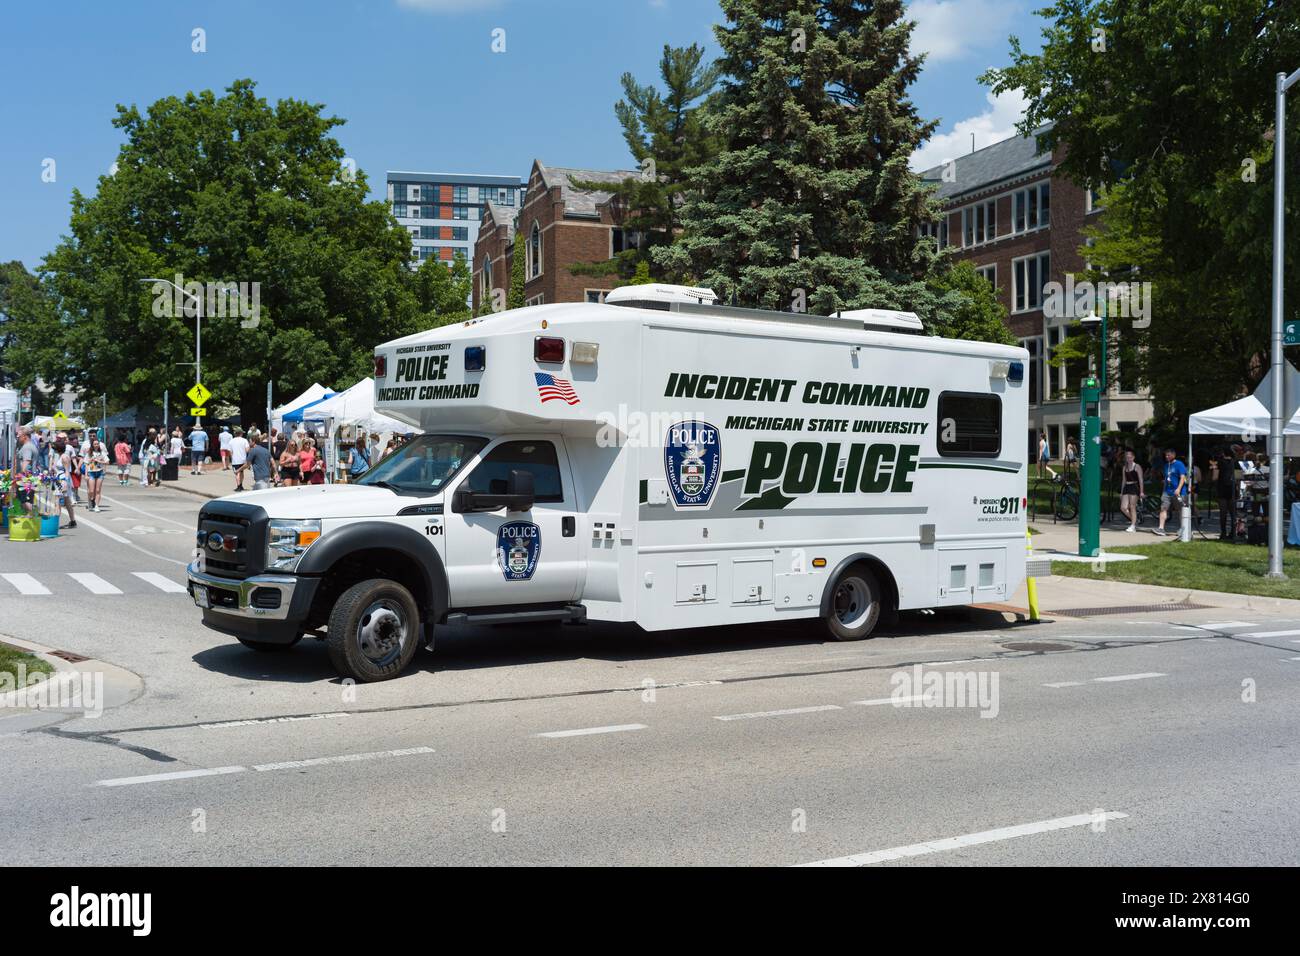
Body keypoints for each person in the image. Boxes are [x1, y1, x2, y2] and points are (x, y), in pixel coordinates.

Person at [1153, 448, 1188, 536]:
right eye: (1166, 455)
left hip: (1178, 492)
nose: (1166, 457)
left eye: (1168, 455)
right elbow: (1166, 478)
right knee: (1163, 508)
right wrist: (1163, 490)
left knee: (1180, 510)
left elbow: (1183, 478)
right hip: (1167, 491)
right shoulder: (1166, 466)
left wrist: (1179, 489)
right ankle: (1161, 528)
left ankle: (1183, 528)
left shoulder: (1179, 464)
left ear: (1173, 455)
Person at [50, 437, 77, 529]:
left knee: (58, 500)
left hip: (62, 480)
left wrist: (65, 482)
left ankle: (55, 522)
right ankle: (72, 521)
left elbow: (67, 470)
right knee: (67, 501)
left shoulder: (64, 457)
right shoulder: (61, 456)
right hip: (61, 479)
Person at [1213, 446, 1238, 542]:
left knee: (1223, 513)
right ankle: (1233, 533)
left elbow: (1215, 477)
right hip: (1232, 489)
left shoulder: (1219, 462)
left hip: (1222, 489)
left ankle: (1223, 533)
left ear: (1223, 453)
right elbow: (1238, 477)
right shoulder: (1235, 463)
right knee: (1233, 513)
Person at [1118, 448, 1143, 532]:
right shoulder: (1124, 467)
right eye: (1127, 457)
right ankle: (1135, 521)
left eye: (1130, 457)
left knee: (1132, 506)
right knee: (1123, 507)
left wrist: (1142, 491)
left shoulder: (1137, 466)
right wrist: (1121, 492)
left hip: (1134, 487)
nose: (1128, 459)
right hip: (1127, 487)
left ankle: (1133, 525)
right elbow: (1123, 480)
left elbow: (1141, 480)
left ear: (1133, 457)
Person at [84, 435, 108, 512]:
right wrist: (86, 474)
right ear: (92, 445)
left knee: (98, 490)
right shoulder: (89, 453)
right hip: (91, 473)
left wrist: (100, 461)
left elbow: (107, 462)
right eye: (95, 444)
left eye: (97, 444)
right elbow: (86, 464)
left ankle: (97, 506)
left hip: (100, 472)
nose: (96, 445)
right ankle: (92, 500)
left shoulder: (102, 453)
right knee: (91, 491)